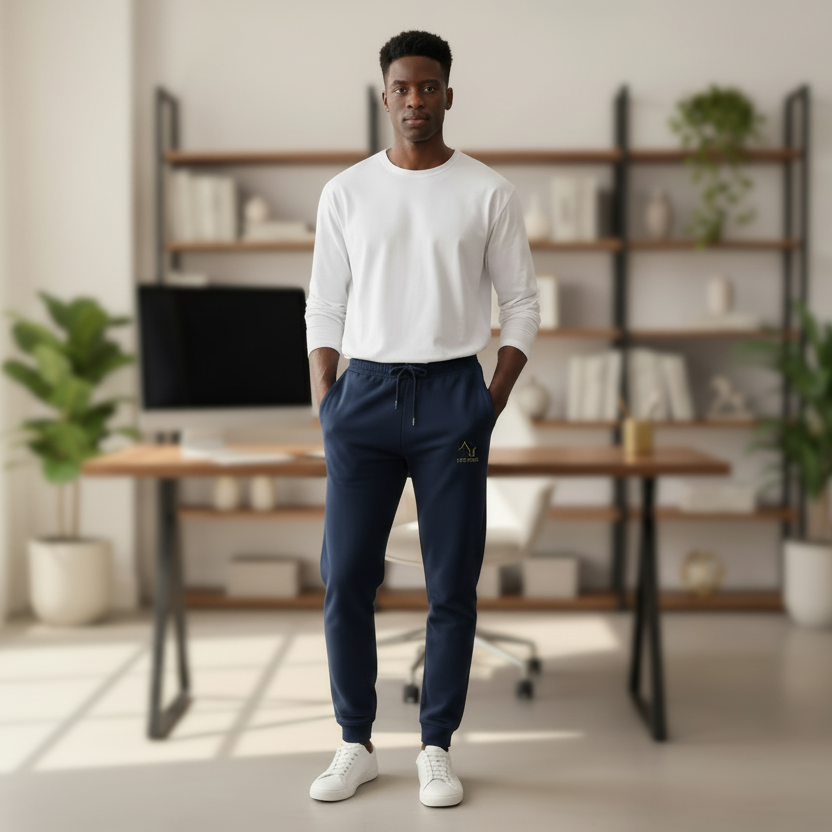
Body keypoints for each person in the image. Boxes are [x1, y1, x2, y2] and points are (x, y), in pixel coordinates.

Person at [304, 30, 540, 807]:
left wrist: (490, 400)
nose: (415, 100)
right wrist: (326, 403)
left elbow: (523, 304)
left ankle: (435, 747)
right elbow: (324, 305)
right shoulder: (346, 192)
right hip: (362, 398)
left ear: (448, 94)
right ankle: (354, 742)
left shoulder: (488, 192)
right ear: (385, 96)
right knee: (346, 579)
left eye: (429, 86)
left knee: (452, 584)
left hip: (453, 401)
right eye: (402, 88)